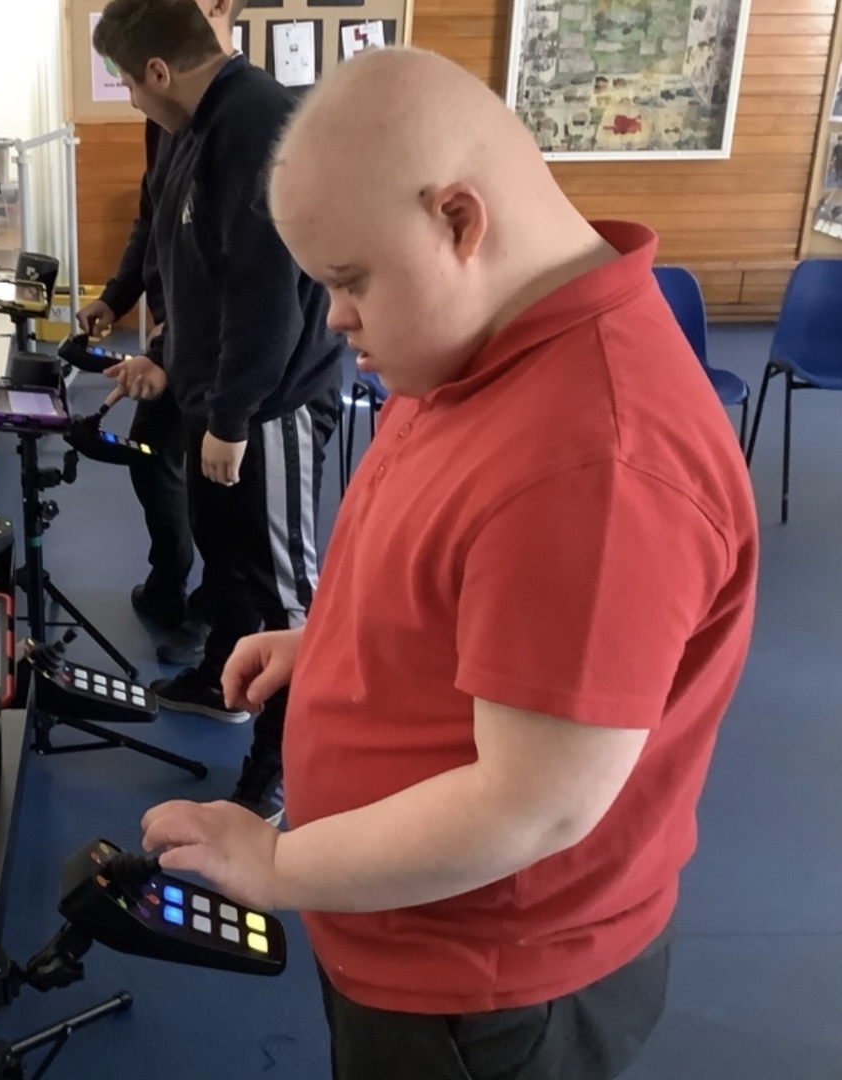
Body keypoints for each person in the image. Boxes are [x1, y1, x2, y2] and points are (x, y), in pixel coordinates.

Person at [139, 48, 759, 1079]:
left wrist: (278, 861)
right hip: (402, 925)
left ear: (459, 222)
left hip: (483, 988)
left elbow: (537, 801)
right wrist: (335, 646)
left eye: (349, 281)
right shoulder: (478, 338)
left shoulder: (596, 459)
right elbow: (456, 570)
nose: (334, 318)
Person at [93, 0, 344, 822]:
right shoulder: (191, 125)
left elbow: (266, 290)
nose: (130, 97)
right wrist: (167, 366)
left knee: (279, 590)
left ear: (158, 72)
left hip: (272, 402)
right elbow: (193, 272)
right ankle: (224, 681)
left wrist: (232, 417)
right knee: (224, 559)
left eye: (128, 83)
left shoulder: (255, 122)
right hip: (219, 392)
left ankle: (283, 766)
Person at [77, 0, 249, 668]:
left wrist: (174, 363)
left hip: (228, 355)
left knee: (222, 498)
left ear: (219, 9)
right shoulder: (166, 113)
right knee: (153, 456)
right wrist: (117, 296)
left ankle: (214, 614)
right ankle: (170, 578)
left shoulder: (241, 118)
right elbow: (152, 216)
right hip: (177, 337)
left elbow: (242, 282)